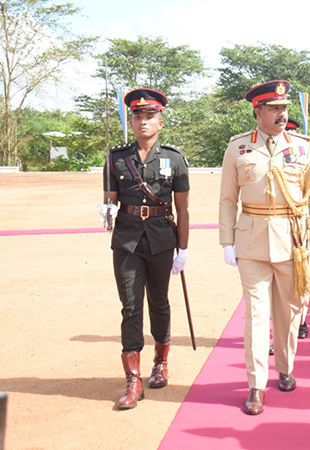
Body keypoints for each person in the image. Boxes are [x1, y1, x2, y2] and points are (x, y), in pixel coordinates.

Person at [219, 79, 310, 415]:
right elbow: (227, 199)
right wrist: (226, 241)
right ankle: (255, 385)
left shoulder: (303, 147)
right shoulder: (238, 148)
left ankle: (286, 366)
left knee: (290, 312)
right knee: (255, 315)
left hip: (293, 240)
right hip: (250, 239)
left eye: (285, 108)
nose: (282, 114)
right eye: (275, 108)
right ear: (258, 111)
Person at [101, 88, 190, 410]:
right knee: (130, 306)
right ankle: (133, 380)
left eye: (149, 116)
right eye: (137, 117)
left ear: (160, 121)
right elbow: (109, 200)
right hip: (126, 240)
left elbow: (183, 208)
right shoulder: (116, 157)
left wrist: (183, 248)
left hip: (161, 239)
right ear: (131, 121)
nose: (143, 122)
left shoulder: (174, 158)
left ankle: (160, 362)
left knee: (160, 302)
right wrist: (107, 211)